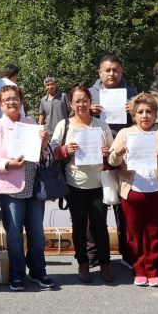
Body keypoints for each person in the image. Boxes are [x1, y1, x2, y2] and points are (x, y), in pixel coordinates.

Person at [0, 85, 55, 291]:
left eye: (15, 98)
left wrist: (43, 143)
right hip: (10, 188)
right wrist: (7, 164)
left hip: (34, 187)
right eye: (7, 100)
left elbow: (43, 156)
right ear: (0, 104)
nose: (12, 102)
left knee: (37, 234)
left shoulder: (31, 124)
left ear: (21, 101)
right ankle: (17, 274)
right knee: (14, 233)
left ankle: (39, 272)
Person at [108, 93, 158, 287]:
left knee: (156, 232)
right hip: (132, 191)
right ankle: (139, 269)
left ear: (155, 114)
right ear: (134, 115)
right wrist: (118, 152)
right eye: (140, 112)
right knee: (134, 233)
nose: (144, 115)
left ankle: (153, 270)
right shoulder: (125, 133)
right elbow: (111, 160)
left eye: (149, 111)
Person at [50, 86, 115, 283]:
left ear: (90, 101)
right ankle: (83, 264)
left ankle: (105, 263)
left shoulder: (101, 125)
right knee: (79, 226)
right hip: (74, 183)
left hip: (98, 183)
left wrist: (107, 152)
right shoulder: (65, 125)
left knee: (100, 226)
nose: (81, 104)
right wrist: (64, 149)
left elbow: (113, 153)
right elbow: (52, 149)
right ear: (71, 104)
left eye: (85, 99)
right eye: (77, 101)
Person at [89, 53, 137, 270]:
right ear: (99, 72)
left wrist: (133, 112)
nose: (111, 74)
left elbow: (144, 121)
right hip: (95, 157)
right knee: (96, 207)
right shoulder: (89, 94)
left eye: (115, 69)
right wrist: (88, 111)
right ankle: (94, 255)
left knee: (124, 207)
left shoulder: (132, 94)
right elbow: (74, 116)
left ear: (122, 71)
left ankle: (128, 253)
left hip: (123, 157)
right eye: (107, 70)